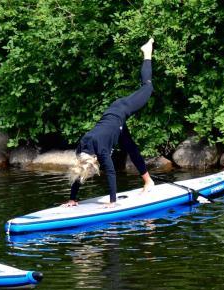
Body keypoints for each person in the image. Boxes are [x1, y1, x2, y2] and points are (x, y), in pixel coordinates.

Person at [65, 38, 156, 209]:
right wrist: (73, 199)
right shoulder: (81, 149)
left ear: (93, 159)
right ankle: (148, 182)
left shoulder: (101, 149)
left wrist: (113, 202)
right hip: (113, 120)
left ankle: (147, 52)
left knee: (147, 88)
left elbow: (111, 173)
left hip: (121, 109)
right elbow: (79, 171)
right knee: (130, 147)